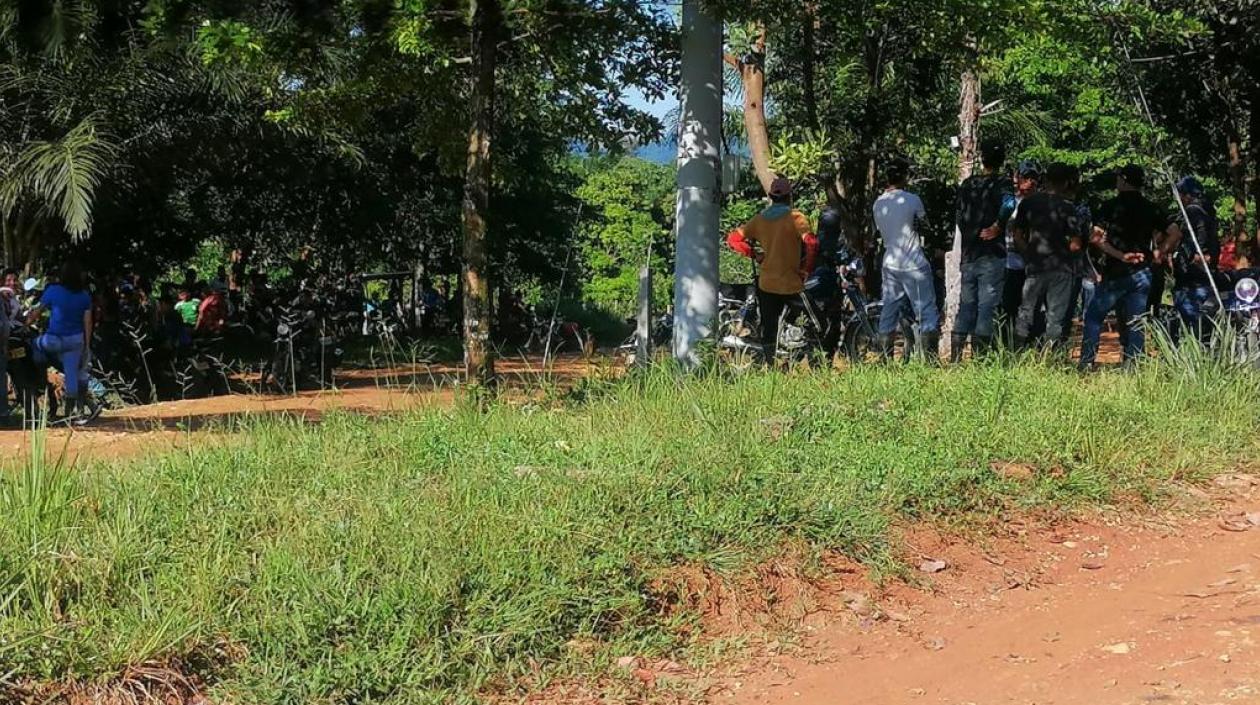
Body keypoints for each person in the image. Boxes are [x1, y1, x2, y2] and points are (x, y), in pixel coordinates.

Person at [1079, 165, 1183, 370]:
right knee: (1136, 321)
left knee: (1093, 316)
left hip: (1116, 272)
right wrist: (1159, 253)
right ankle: (1132, 365)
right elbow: (1175, 233)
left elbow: (1095, 237)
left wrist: (1120, 255)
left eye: (1119, 178)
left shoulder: (1109, 206)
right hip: (1142, 272)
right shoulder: (1151, 207)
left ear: (1124, 181)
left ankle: (1087, 362)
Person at [726, 176, 817, 364]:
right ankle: (816, 360)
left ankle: (770, 365)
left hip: (766, 283)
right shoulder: (796, 218)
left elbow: (733, 239)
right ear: (789, 196)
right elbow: (812, 243)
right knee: (816, 321)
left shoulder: (759, 220)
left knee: (769, 327)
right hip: (791, 283)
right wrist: (806, 269)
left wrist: (756, 255)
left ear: (771, 197)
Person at [1008, 163, 1084, 352]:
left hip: (1035, 266)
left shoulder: (1029, 203)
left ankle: (1016, 352)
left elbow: (1017, 235)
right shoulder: (1068, 208)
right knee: (1055, 317)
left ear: (1046, 179)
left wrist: (1028, 254)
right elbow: (1076, 244)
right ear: (1066, 183)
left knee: (1025, 312)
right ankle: (1049, 358)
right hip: (1061, 268)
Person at [871, 159, 941, 360]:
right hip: (913, 263)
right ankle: (929, 360)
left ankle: (884, 358)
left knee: (889, 311)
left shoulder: (878, 203)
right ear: (904, 176)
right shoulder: (912, 200)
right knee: (926, 310)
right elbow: (924, 226)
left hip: (890, 262)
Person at [952, 141, 1012, 361]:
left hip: (969, 254)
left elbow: (958, 215)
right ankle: (980, 358)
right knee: (987, 306)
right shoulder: (1002, 183)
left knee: (966, 304)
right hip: (991, 255)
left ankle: (956, 358)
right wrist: (998, 225)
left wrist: (969, 234)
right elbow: (1009, 204)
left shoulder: (968, 184)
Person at [28, 260, 95, 424]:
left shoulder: (53, 290)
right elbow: (88, 323)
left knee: (35, 343)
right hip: (75, 341)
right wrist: (87, 345)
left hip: (53, 340)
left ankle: (40, 364)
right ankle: (71, 412)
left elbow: (37, 312)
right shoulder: (84, 296)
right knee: (71, 374)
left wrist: (25, 323)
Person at [1169, 176, 1219, 344]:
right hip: (1205, 277)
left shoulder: (1192, 211)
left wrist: (1193, 255)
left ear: (1186, 195)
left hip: (1192, 279)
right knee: (1203, 326)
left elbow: (1197, 237)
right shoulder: (1208, 210)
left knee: (1192, 325)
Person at [998, 161, 1041, 344]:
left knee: (1033, 309)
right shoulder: (1009, 203)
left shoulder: (1042, 204)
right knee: (1008, 308)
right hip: (1010, 263)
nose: (1030, 182)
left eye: (1034, 178)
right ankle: (1005, 345)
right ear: (1017, 179)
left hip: (1035, 265)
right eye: (1026, 177)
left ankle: (1031, 346)